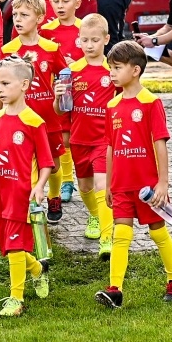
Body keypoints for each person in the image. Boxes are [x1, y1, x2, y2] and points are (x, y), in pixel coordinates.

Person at [95, 40, 172, 308]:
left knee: (158, 231)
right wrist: (109, 183)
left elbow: (160, 143)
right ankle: (115, 289)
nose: (111, 72)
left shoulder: (151, 103)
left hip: (147, 187)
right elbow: (110, 147)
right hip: (121, 185)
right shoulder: (112, 106)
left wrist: (163, 183)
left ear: (135, 70)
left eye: (117, 68)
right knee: (120, 234)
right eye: (110, 67)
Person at [0, 56, 54, 317]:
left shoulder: (34, 122)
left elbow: (47, 162)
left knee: (16, 246)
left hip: (22, 196)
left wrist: (39, 186)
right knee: (8, 248)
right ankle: (37, 269)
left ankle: (16, 299)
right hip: (0, 194)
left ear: (24, 85)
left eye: (5, 83)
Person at [3, 0, 66, 223]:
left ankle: (54, 195)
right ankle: (30, 204)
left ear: (39, 18)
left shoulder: (51, 48)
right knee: (26, 164)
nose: (18, 19)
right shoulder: (8, 51)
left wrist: (63, 98)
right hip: (21, 120)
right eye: (16, 14)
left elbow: (64, 76)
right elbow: (0, 86)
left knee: (54, 165)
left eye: (24, 15)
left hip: (49, 119)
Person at [64, 13, 116, 249]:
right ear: (78, 40)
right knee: (84, 187)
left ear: (106, 39)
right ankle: (95, 216)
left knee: (101, 185)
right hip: (79, 139)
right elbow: (62, 108)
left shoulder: (113, 71)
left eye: (95, 40)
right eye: (84, 40)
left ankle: (107, 237)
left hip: (104, 141)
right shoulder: (72, 71)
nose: (89, 45)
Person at [42, 0, 85, 202]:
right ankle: (67, 181)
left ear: (77, 3)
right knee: (64, 139)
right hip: (58, 95)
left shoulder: (84, 30)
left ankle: (84, 179)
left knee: (80, 140)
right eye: (55, 1)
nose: (60, 6)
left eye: (65, 1)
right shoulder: (46, 31)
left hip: (83, 93)